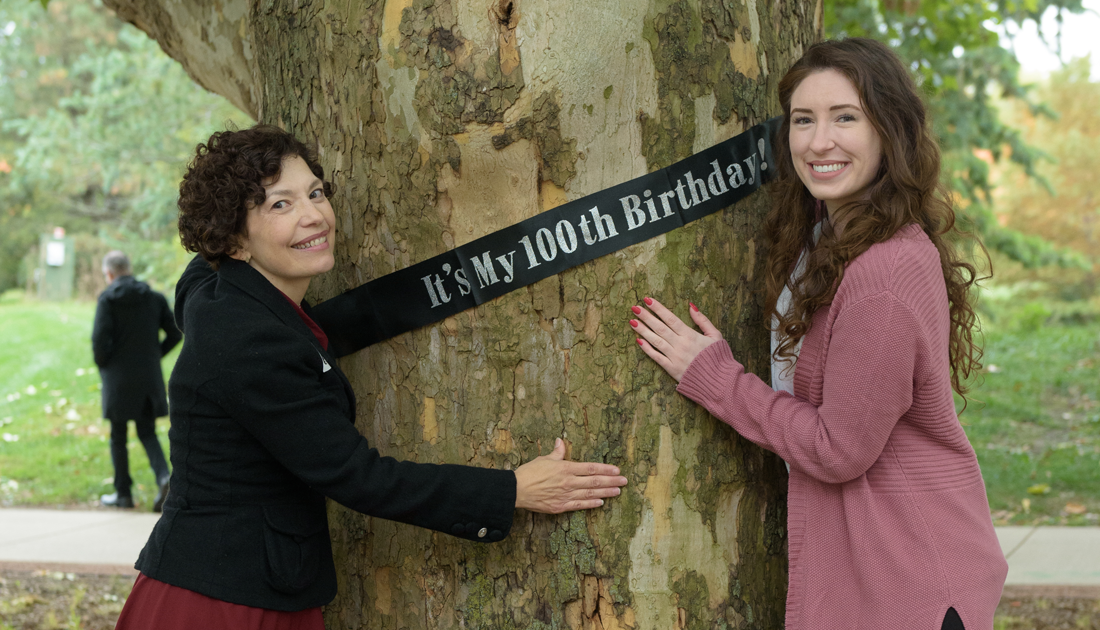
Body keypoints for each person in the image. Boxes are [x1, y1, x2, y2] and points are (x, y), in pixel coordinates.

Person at [114, 125, 628, 629]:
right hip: (222, 601)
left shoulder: (212, 290)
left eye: (315, 192)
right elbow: (359, 477)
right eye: (280, 205)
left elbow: (199, 278)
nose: (314, 215)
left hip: (249, 585)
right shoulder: (250, 342)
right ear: (234, 241)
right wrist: (511, 489)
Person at [628, 38, 1007, 630]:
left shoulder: (883, 271)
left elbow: (839, 449)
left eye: (845, 118)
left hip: (908, 588)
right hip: (875, 571)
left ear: (891, 131)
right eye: (803, 120)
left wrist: (719, 380)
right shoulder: (829, 241)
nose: (818, 141)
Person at [92, 250, 180, 511]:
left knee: (118, 436)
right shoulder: (153, 297)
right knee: (147, 431)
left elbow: (99, 342)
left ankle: (123, 495)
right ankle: (164, 478)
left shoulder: (107, 300)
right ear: (129, 269)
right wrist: (155, 356)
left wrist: (105, 364)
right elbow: (176, 332)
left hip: (118, 379)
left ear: (109, 273)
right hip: (147, 377)